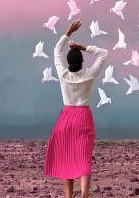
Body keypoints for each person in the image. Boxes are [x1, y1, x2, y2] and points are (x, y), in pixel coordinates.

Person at [43, 19, 109, 198]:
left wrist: (67, 33)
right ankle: (85, 196)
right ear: (81, 62)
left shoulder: (63, 75)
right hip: (83, 118)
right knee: (84, 158)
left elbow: (56, 50)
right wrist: (82, 47)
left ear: (68, 62)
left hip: (65, 118)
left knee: (67, 159)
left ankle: (68, 197)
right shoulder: (89, 75)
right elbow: (103, 53)